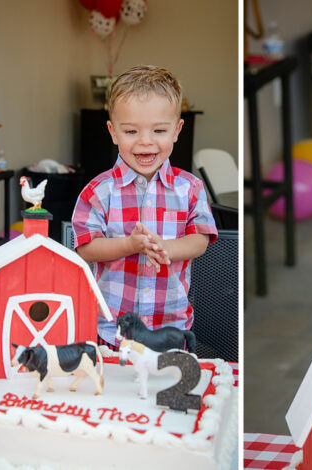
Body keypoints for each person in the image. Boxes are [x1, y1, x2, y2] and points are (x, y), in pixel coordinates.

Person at [72, 64, 218, 350]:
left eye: (159, 130)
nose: (145, 142)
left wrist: (164, 247)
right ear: (113, 133)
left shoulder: (190, 188)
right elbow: (85, 248)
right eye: (131, 131)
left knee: (166, 391)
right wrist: (131, 245)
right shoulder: (98, 191)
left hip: (171, 329)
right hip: (112, 331)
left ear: (177, 131)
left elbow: (201, 239)